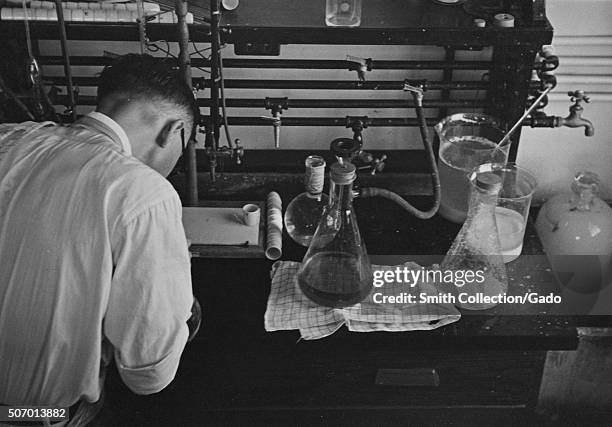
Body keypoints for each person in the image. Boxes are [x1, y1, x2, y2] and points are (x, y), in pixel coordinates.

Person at [0, 54, 201, 425]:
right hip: (31, 417)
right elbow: (148, 372)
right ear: (174, 132)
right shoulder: (144, 192)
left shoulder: (10, 136)